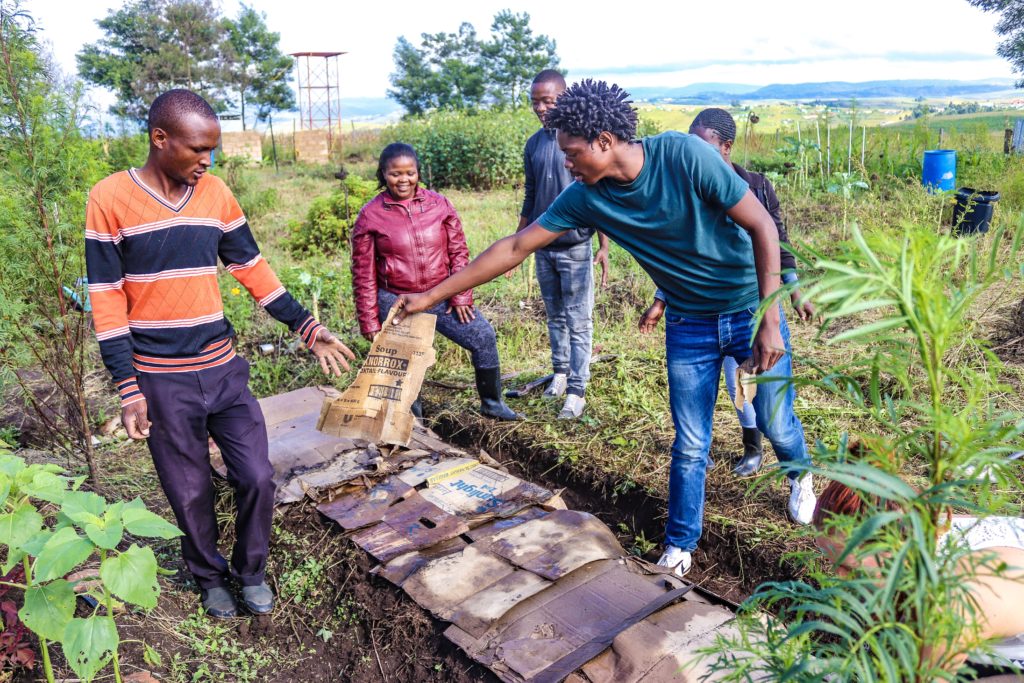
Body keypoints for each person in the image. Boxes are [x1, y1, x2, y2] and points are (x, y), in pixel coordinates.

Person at [391, 80, 817, 578]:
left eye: (572, 153)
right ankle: (679, 546)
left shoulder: (684, 155)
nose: (567, 164)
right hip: (687, 321)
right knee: (691, 442)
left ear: (605, 140)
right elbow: (515, 247)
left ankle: (799, 475)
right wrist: (429, 296)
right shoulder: (586, 197)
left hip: (749, 308)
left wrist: (770, 319)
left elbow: (763, 226)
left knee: (776, 421)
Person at [85, 90, 355, 618]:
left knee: (256, 473)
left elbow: (250, 267)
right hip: (162, 378)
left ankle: (250, 570)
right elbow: (107, 299)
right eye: (197, 149)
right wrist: (128, 387)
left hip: (223, 368)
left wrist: (306, 325)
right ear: (160, 140)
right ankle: (208, 576)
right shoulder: (109, 198)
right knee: (188, 491)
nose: (207, 160)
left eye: (213, 149)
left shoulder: (214, 194)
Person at [638, 107, 816, 477]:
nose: (694, 154)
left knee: (770, 405)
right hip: (703, 311)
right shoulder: (690, 187)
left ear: (726, 147)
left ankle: (796, 470)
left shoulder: (756, 185)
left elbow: (778, 241)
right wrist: (661, 299)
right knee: (738, 383)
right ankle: (751, 446)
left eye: (703, 146)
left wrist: (795, 292)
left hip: (752, 304)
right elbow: (683, 254)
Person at [351, 142, 520, 421]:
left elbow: (458, 251)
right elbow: (363, 273)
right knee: (405, 362)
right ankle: (414, 422)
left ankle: (493, 403)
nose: (403, 180)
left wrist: (461, 294)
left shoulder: (439, 204)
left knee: (483, 337)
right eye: (395, 174)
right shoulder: (371, 215)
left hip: (442, 293)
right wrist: (368, 320)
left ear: (418, 172)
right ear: (383, 174)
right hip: (398, 300)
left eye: (410, 173)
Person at [814, 479, 1024, 673]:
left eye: (850, 568)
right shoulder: (920, 521)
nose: (838, 578)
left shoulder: (949, 605)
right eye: (828, 557)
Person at [511, 69, 611, 419]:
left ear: (564, 99)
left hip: (575, 246)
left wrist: (604, 246)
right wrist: (517, 244)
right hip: (543, 249)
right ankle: (560, 373)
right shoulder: (534, 144)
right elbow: (531, 196)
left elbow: (598, 193)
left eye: (548, 101)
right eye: (535, 101)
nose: (541, 107)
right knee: (554, 317)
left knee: (579, 319)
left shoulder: (577, 141)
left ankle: (577, 389)